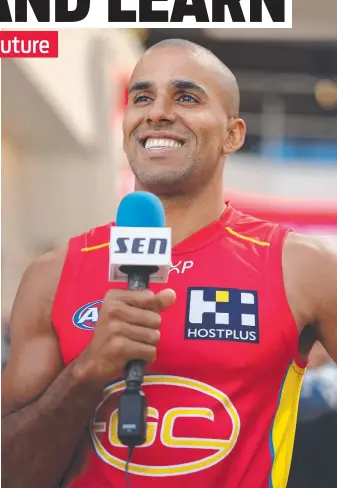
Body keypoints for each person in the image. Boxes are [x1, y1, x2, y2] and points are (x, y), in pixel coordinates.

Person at [2, 39, 337, 488]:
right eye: (142, 97)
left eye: (186, 97)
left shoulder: (300, 267)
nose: (157, 112)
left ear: (233, 134)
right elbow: (11, 473)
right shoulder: (53, 274)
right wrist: (89, 370)